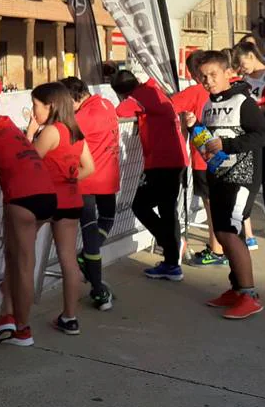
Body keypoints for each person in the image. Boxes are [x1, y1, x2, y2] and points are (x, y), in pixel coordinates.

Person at [181, 50, 265, 319]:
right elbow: (210, 142)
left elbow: (263, 135)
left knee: (230, 233)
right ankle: (236, 288)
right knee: (222, 234)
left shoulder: (243, 102)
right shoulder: (208, 105)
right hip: (217, 175)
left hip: (242, 177)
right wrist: (195, 126)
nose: (208, 81)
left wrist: (229, 145)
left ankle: (249, 295)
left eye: (213, 75)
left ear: (227, 73)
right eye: (202, 76)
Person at [0, 55, 56, 347]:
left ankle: (22, 329)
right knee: (14, 260)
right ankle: (6, 315)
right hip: (45, 193)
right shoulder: (4, 121)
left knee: (21, 265)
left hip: (23, 197)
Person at [28, 82, 95, 334]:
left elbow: (29, 162)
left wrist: (30, 131)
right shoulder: (74, 131)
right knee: (68, 260)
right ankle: (70, 316)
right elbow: (89, 167)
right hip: (71, 200)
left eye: (36, 105)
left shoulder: (50, 132)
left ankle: (14, 313)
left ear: (51, 105)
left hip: (45, 200)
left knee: (23, 254)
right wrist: (67, 178)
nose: (33, 112)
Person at [112, 69, 189, 281]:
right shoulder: (153, 91)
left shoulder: (141, 96)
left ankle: (171, 247)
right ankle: (172, 258)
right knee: (166, 209)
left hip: (162, 162)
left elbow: (119, 111)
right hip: (173, 159)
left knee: (141, 205)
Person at [63, 76, 119, 310]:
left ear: (74, 98)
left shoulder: (82, 117)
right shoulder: (106, 103)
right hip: (109, 176)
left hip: (87, 180)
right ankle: (90, 266)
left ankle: (98, 290)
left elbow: (62, 138)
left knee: (90, 241)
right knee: (107, 219)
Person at [170, 52, 225, 266]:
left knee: (212, 206)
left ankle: (217, 249)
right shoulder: (224, 91)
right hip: (224, 155)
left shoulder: (195, 91)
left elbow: (169, 106)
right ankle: (226, 246)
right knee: (222, 204)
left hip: (205, 157)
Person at [235, 40, 265, 240]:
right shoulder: (245, 76)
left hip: (263, 124)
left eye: (242, 62)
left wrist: (253, 110)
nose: (241, 67)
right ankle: (242, 219)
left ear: (251, 56)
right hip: (245, 127)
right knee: (247, 173)